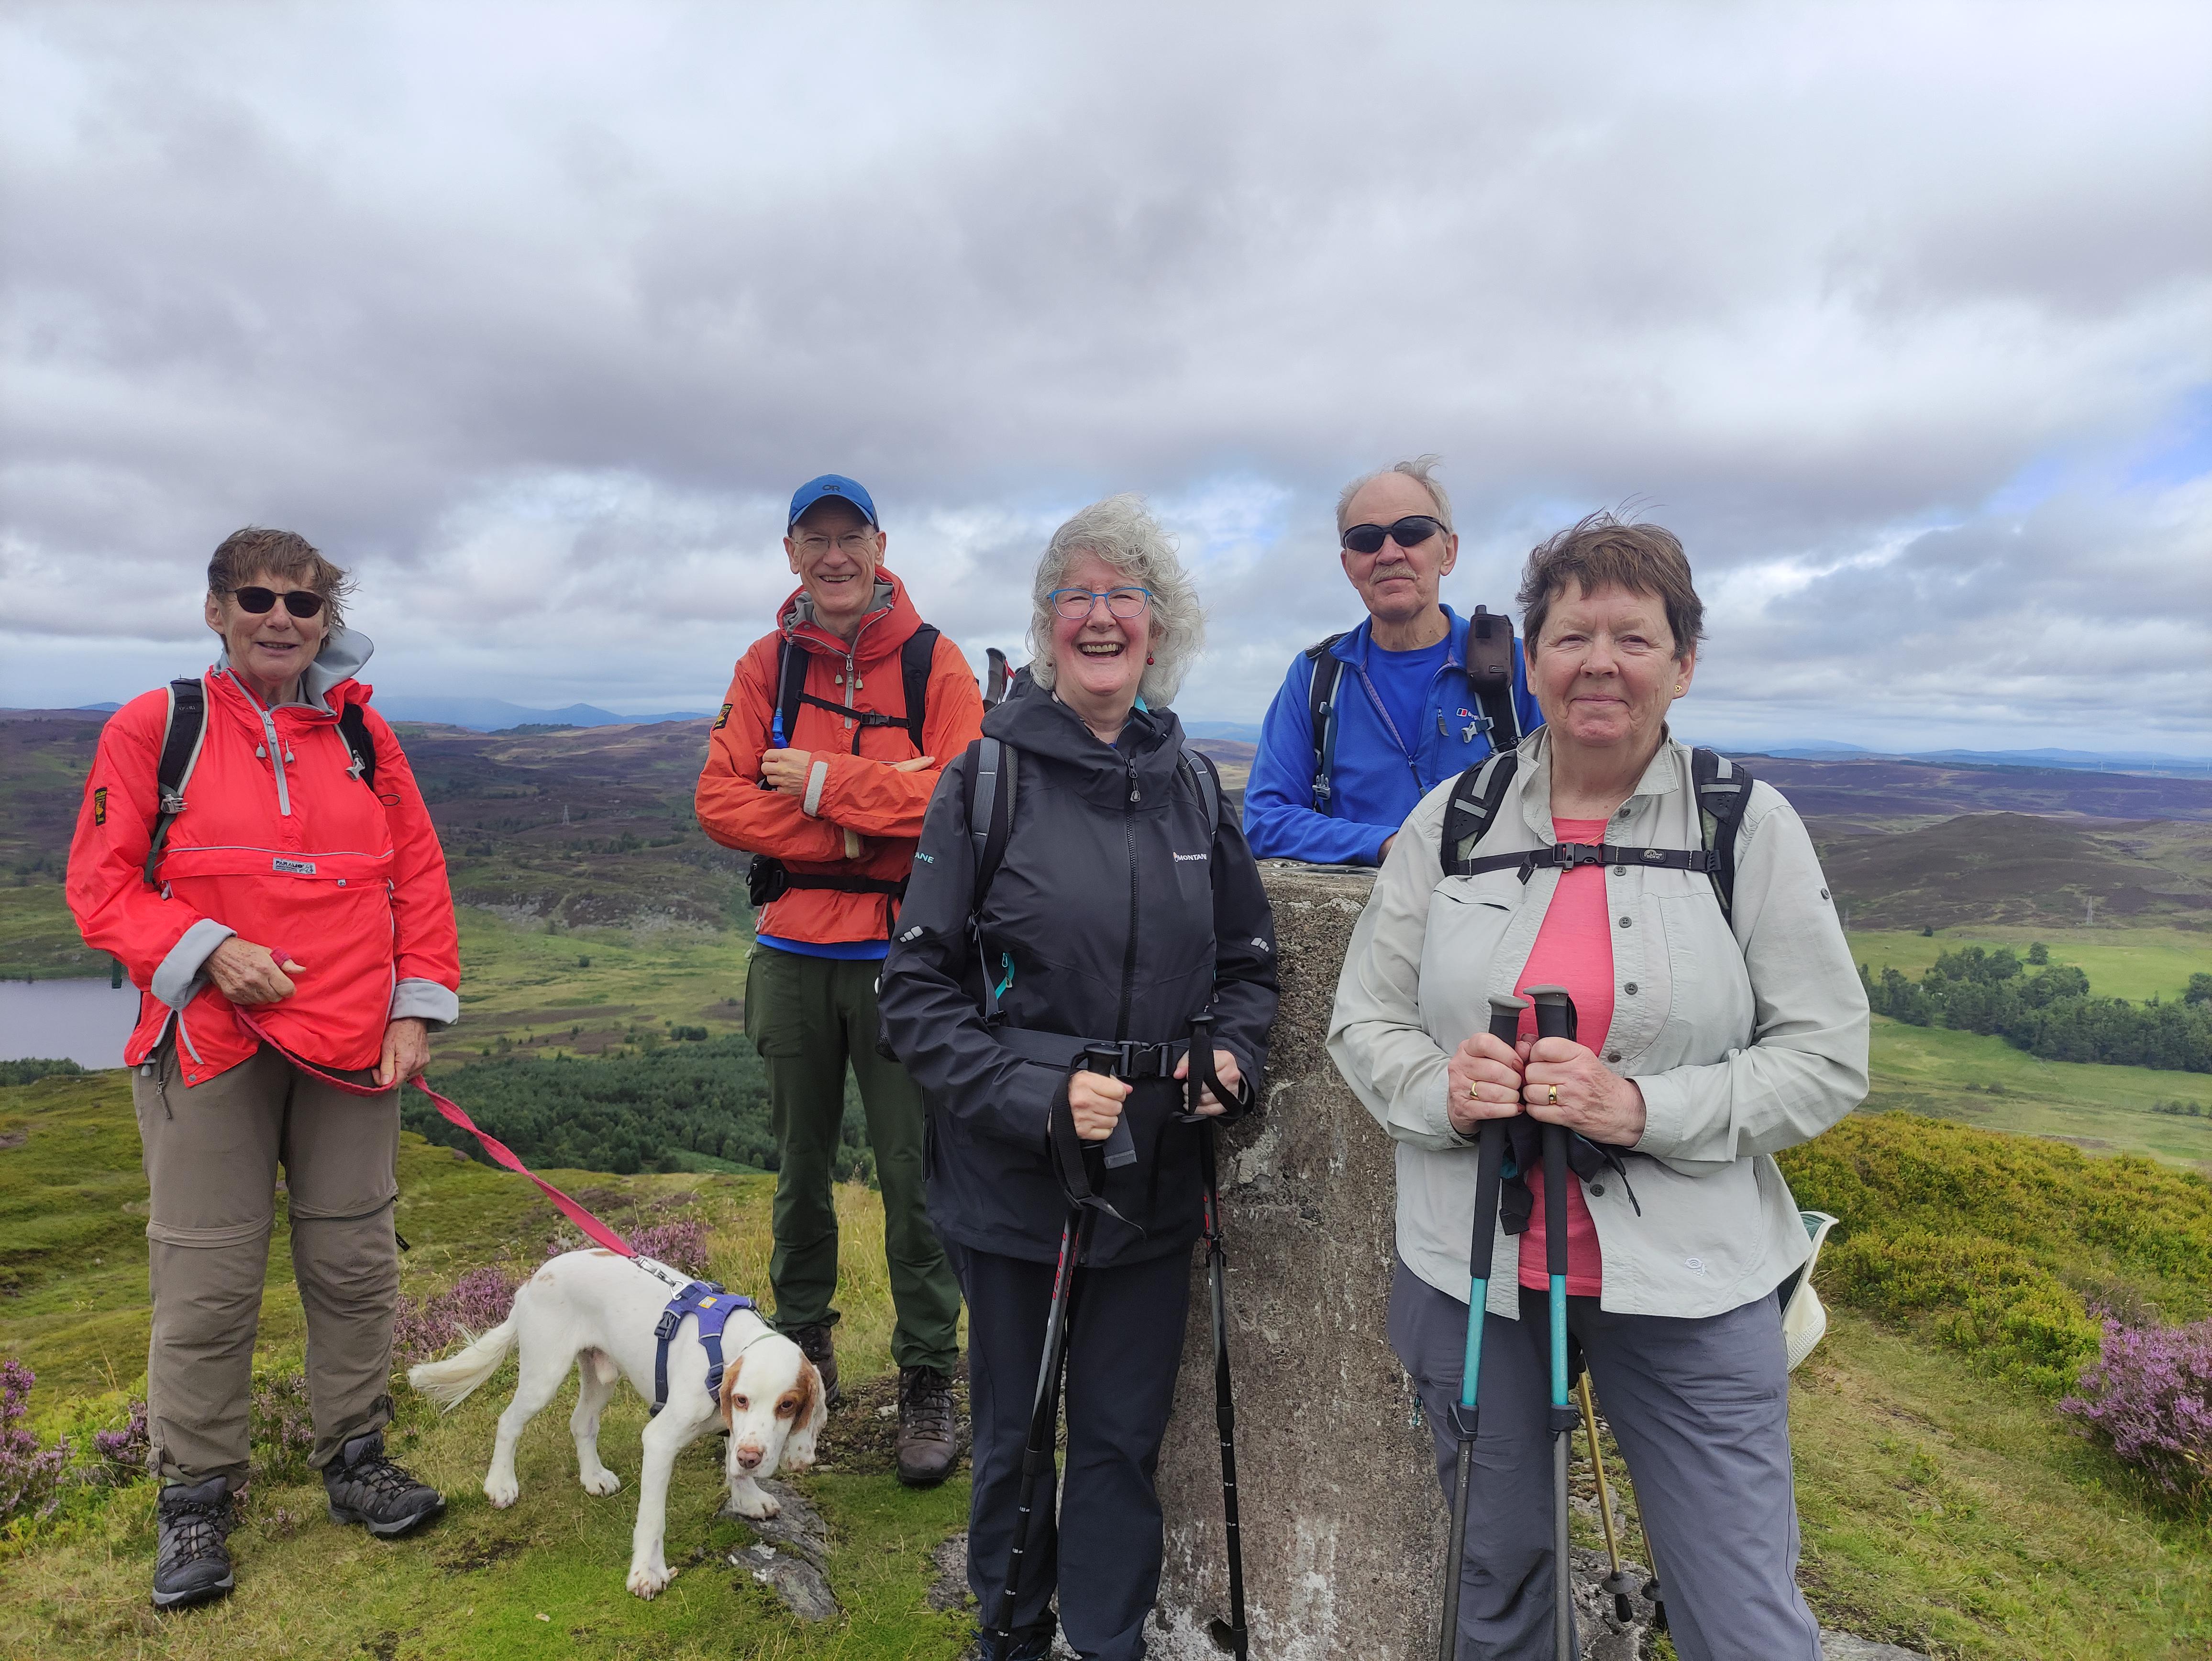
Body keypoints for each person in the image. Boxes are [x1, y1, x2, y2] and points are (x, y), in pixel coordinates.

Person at [1327, 512, 1869, 1661]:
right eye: (1571, 635)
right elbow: (1361, 1023)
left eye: (1634, 636)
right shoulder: (1453, 822)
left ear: (1682, 663)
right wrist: (1444, 1089)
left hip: (1694, 1279)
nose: (1599, 663)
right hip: (1472, 1268)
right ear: (1531, 661)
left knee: (1742, 1610)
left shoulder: (1743, 825)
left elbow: (1825, 1057)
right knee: (1497, 1590)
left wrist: (1641, 1110)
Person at [879, 495, 1278, 1661]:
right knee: (1014, 1434)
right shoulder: (986, 779)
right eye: (1076, 597)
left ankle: (1104, 1642)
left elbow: (1249, 963)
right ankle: (1007, 1635)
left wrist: (1231, 1059)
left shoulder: (1193, 787)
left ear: (1161, 629)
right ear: (1046, 627)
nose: (1099, 617)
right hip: (1013, 1184)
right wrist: (1031, 1095)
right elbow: (915, 995)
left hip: (1153, 1178)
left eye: (1125, 596)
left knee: (1117, 1438)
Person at [66, 528, 460, 1610]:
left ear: (327, 620)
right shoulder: (160, 727)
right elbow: (101, 888)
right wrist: (206, 952)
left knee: (354, 1267)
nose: (279, 618)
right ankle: (195, 1503)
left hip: (349, 1046)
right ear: (216, 609)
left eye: (302, 603)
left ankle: (356, 1461)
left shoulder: (364, 736)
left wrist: (415, 1011)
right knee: (206, 1281)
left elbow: (416, 878)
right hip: (209, 1044)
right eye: (256, 598)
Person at [695, 474, 982, 1486]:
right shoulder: (765, 663)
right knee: (796, 1170)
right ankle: (801, 1360)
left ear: (878, 543)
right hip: (790, 952)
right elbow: (720, 800)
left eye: (847, 536)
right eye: (813, 540)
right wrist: (873, 813)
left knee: (915, 1175)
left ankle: (926, 1375)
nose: (833, 556)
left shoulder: (931, 660)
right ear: (789, 554)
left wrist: (818, 784)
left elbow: (962, 789)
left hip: (907, 957)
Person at [1244, 455, 1542, 865]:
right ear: (1349, 565)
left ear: (1448, 552)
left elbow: (1572, 804)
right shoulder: (1315, 676)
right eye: (1366, 539)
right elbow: (1266, 821)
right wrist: (1390, 845)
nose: (1389, 553)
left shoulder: (1522, 666)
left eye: (1412, 531)